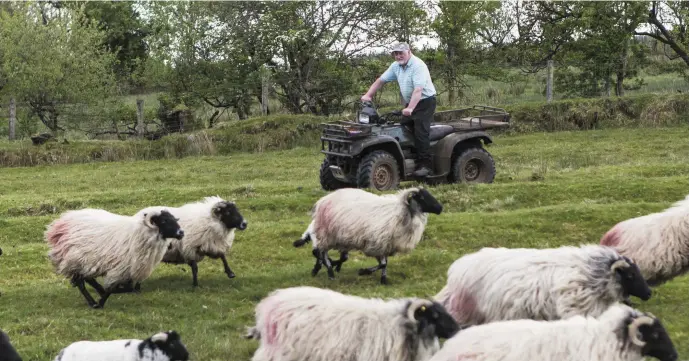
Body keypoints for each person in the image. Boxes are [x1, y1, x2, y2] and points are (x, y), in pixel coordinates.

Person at [361, 41, 437, 177]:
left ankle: (426, 166)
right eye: (395, 53)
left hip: (425, 102)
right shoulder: (396, 66)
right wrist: (368, 95)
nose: (398, 56)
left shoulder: (418, 66)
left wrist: (410, 108)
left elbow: (418, 90)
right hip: (411, 102)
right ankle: (410, 158)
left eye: (401, 53)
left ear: (409, 52)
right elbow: (381, 80)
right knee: (404, 128)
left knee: (421, 131)